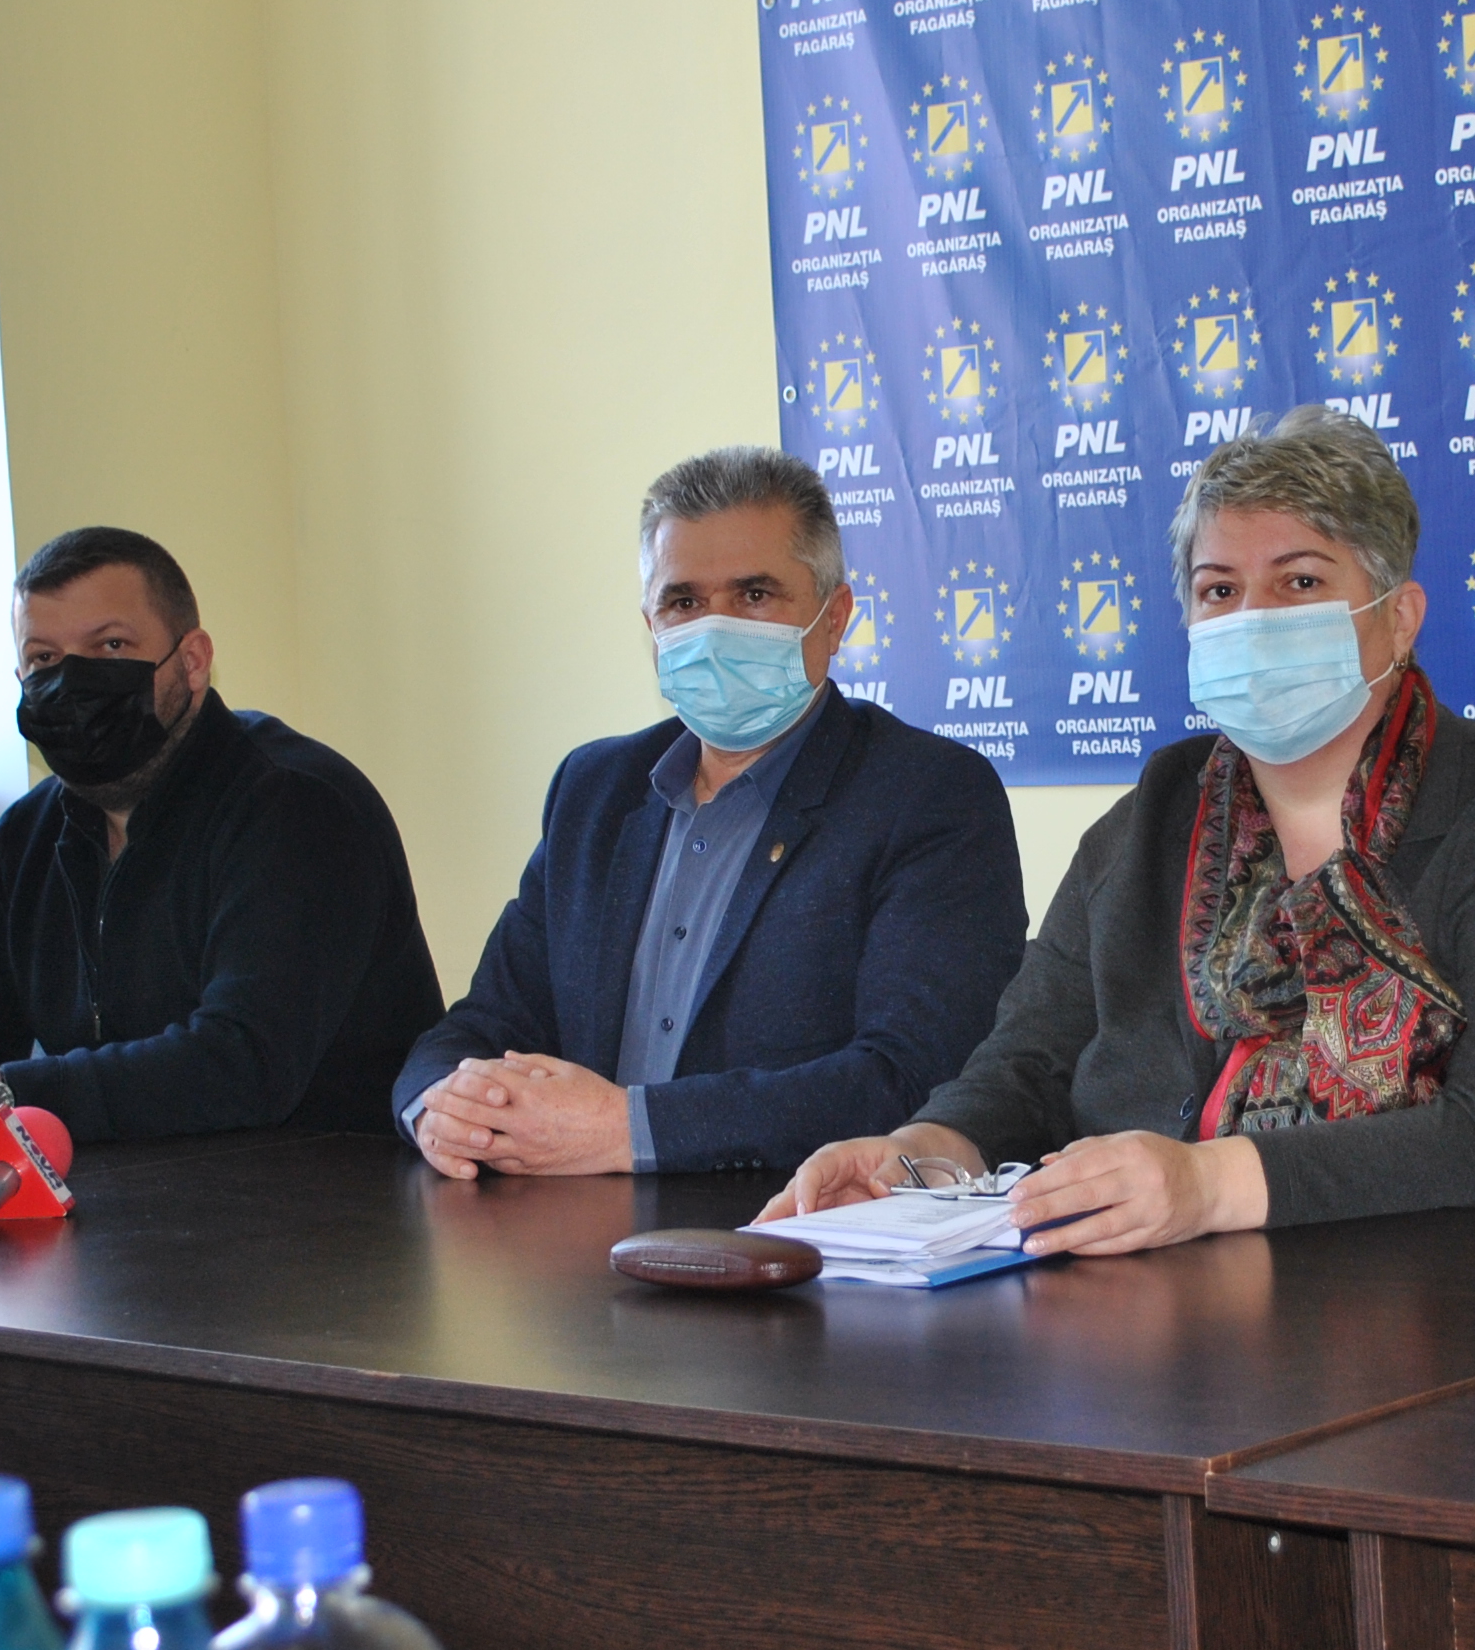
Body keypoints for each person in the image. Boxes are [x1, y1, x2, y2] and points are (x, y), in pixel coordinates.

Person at [764, 407, 1475, 1251]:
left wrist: (1210, 1184)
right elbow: (1026, 1064)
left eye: (1300, 582)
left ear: (1398, 618)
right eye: (1219, 590)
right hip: (1163, 1313)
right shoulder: (1149, 821)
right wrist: (919, 1155)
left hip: (1458, 1303)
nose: (1252, 619)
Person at [394, 448, 1025, 1177]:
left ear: (834, 618)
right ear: (651, 625)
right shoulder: (594, 791)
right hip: (574, 1229)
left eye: (754, 595)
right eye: (684, 603)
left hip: (792, 1226)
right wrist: (443, 1108)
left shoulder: (930, 795)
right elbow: (481, 1025)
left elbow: (913, 1077)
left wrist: (625, 1129)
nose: (715, 630)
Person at [0, 526, 443, 1152]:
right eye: (44, 659)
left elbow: (242, 1063)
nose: (73, 682)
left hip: (329, 1195)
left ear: (193, 662)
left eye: (110, 647)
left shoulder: (294, 807)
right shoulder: (33, 830)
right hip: (130, 1190)